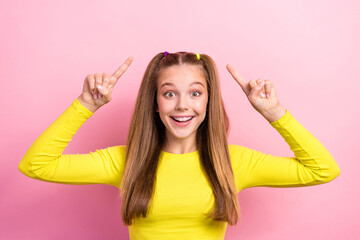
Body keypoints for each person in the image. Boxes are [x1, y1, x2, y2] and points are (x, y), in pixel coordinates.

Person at [19, 51, 340, 240]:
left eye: (195, 93)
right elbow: (36, 165)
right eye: (170, 93)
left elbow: (323, 170)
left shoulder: (234, 163)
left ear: (208, 101)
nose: (182, 106)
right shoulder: (125, 161)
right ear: (155, 103)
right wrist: (85, 105)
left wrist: (274, 114)